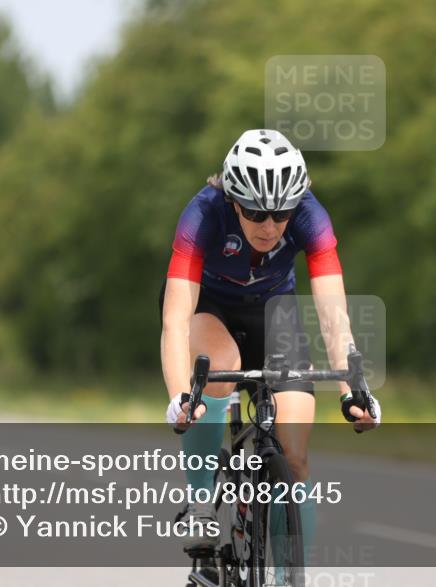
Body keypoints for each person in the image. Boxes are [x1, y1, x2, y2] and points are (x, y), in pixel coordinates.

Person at [160, 129, 382, 553]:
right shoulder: (202, 214)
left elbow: (333, 316)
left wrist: (353, 390)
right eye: (255, 213)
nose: (269, 226)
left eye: (281, 213)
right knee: (219, 366)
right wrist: (179, 396)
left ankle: (290, 575)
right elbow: (174, 321)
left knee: (295, 458)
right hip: (208, 308)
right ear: (233, 201)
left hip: (274, 311)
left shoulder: (311, 217)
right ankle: (201, 501)